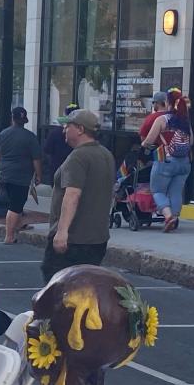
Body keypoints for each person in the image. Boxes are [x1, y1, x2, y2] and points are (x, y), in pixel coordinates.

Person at [42, 109, 116, 283]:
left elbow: (73, 194)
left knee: (57, 290)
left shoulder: (79, 157)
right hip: (97, 239)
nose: (63, 130)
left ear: (80, 129)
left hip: (74, 241)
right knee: (85, 290)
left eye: (67, 126)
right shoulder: (106, 155)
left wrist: (62, 232)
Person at [141, 88, 192, 233]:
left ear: (167, 103)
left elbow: (148, 140)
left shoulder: (162, 120)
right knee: (176, 191)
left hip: (165, 161)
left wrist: (144, 146)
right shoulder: (185, 121)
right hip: (184, 162)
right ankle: (174, 217)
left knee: (157, 190)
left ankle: (168, 216)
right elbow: (192, 141)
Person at [0, 106, 42, 244]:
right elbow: (36, 159)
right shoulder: (30, 137)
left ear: (12, 118)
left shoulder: (3, 134)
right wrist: (39, 175)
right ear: (24, 120)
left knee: (16, 202)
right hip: (21, 177)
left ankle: (18, 225)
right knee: (15, 206)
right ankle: (9, 236)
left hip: (5, 174)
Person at [43, 102, 78, 185]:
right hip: (75, 171)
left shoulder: (55, 133)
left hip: (57, 169)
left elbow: (47, 150)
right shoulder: (82, 134)